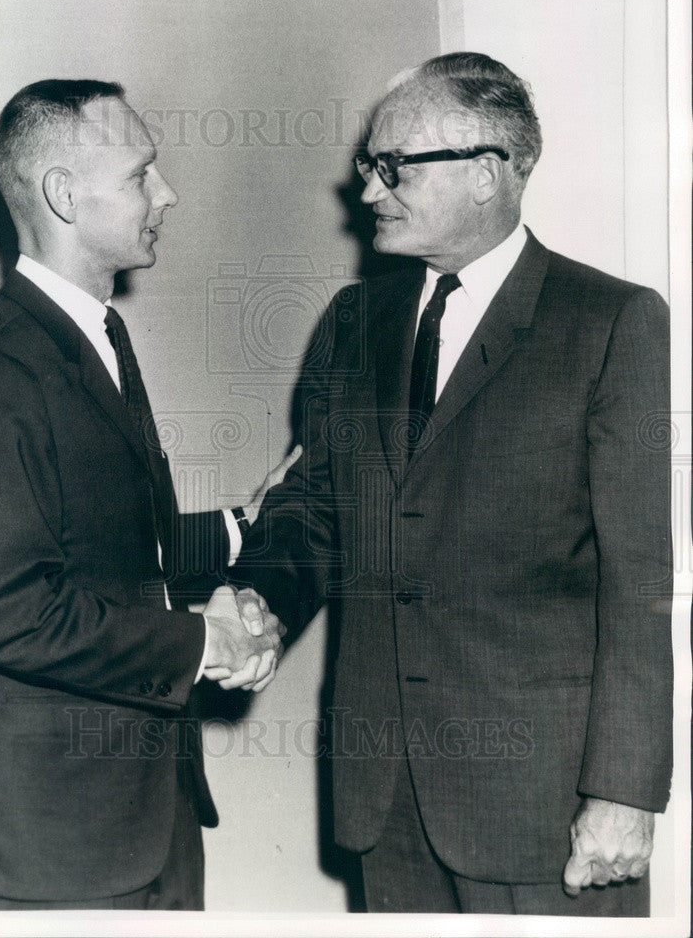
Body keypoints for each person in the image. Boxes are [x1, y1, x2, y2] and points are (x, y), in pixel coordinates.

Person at [234, 52, 673, 916]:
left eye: (392, 167)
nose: (367, 192)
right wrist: (259, 607)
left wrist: (623, 793)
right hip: (384, 799)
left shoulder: (609, 322)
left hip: (540, 809)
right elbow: (319, 514)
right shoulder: (353, 322)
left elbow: (639, 582)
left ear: (485, 173)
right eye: (369, 166)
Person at [0, 79, 292, 910]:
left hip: (145, 824)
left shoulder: (90, 335)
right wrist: (204, 644)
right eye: (139, 174)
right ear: (63, 194)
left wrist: (239, 529)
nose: (167, 193)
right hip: (56, 858)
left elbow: (112, 547)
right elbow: (14, 611)